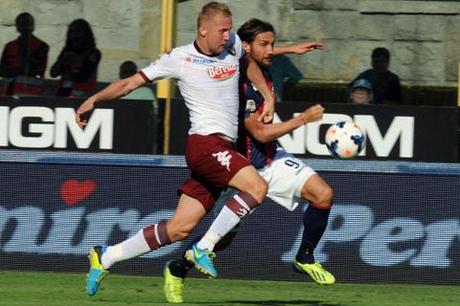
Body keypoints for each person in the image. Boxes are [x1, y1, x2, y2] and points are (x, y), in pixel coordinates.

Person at [75, 1, 317, 298]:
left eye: (230, 30)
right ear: (203, 30)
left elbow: (252, 61)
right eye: (223, 31)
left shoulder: (234, 48)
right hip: (205, 143)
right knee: (257, 186)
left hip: (221, 150)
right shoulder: (180, 58)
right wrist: (93, 100)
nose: (228, 36)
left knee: (178, 229)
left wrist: (268, 95)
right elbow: (128, 84)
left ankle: (106, 256)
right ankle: (203, 248)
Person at [163, 18, 332, 303]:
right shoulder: (237, 84)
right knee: (223, 239)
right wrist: (304, 119)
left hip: (271, 159)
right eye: (264, 44)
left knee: (323, 194)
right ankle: (177, 269)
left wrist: (290, 50)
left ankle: (304, 257)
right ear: (244, 47)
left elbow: (256, 54)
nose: (270, 50)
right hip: (244, 170)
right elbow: (261, 133)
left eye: (273, 44)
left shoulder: (260, 68)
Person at [0, 12, 49, 96]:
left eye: (28, 24)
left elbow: (39, 70)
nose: (25, 27)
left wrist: (15, 71)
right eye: (22, 24)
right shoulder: (10, 46)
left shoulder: (41, 46)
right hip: (10, 90)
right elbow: (2, 70)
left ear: (33, 26)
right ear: (17, 26)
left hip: (31, 90)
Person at [50, 18, 101, 97]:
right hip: (63, 93)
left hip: (82, 95)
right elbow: (53, 73)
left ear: (86, 34)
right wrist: (63, 60)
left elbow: (84, 76)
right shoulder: (66, 51)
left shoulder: (93, 53)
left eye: (78, 32)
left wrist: (75, 61)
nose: (74, 36)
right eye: (72, 32)